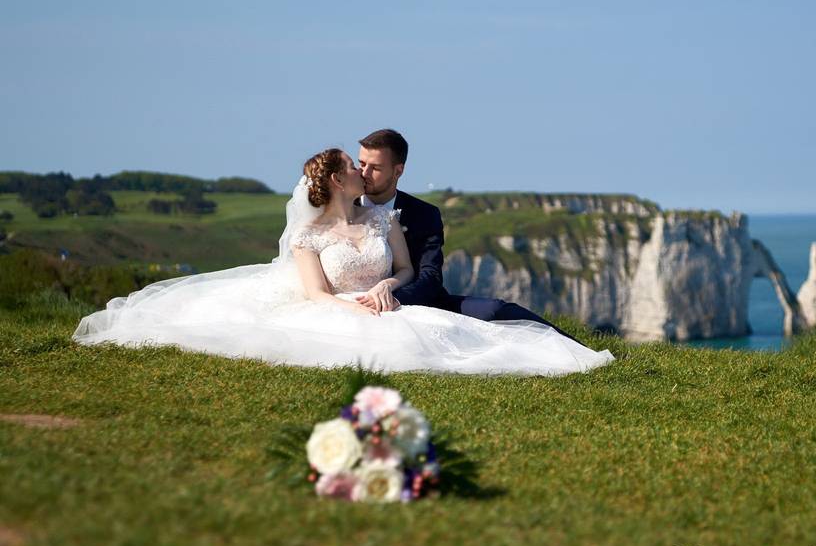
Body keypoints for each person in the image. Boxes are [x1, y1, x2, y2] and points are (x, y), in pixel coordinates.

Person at [72, 148, 614, 376]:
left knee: (480, 330)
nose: (363, 173)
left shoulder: (382, 220)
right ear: (337, 180)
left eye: (369, 165)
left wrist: (390, 290)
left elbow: (405, 269)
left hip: (391, 303)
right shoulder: (308, 235)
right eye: (355, 167)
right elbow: (314, 295)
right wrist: (354, 308)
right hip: (340, 308)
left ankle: (573, 350)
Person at [356, 128, 581, 340]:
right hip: (354, 304)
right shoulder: (339, 209)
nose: (364, 173)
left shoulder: (424, 214)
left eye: (374, 168)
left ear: (398, 170)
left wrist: (394, 299)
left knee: (495, 310)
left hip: (418, 302)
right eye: (361, 164)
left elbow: (430, 276)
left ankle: (575, 347)